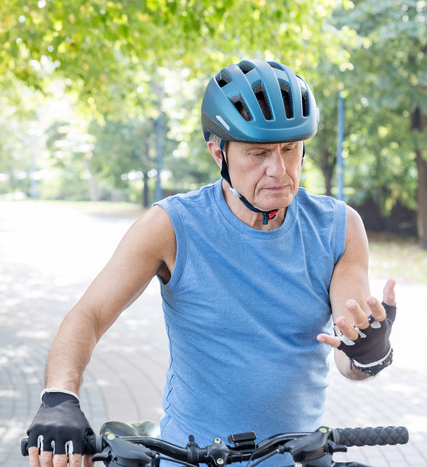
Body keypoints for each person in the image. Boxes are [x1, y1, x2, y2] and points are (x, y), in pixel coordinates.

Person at [26, 58, 397, 467]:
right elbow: (89, 315)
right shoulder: (171, 226)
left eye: (290, 149)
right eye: (258, 153)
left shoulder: (339, 227)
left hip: (296, 457)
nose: (279, 170)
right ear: (217, 152)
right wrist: (60, 396)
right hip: (190, 456)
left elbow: (348, 359)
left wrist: (368, 353)